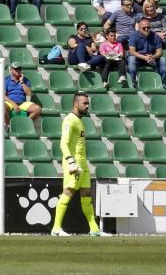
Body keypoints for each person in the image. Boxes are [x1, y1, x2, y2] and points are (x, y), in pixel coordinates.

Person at [50, 92, 106, 237]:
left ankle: (94, 229)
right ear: (76, 104)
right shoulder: (70, 120)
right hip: (73, 164)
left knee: (86, 195)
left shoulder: (79, 120)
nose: (87, 106)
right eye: (84, 103)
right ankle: (56, 229)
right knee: (67, 193)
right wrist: (70, 162)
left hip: (83, 163)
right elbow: (63, 143)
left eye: (88, 103)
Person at [128, 18, 166, 88]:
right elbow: (132, 51)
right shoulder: (134, 35)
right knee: (131, 59)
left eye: (148, 27)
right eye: (144, 28)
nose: (146, 29)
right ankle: (133, 82)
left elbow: (159, 52)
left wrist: (153, 57)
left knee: (162, 60)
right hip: (139, 58)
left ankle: (163, 82)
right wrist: (144, 57)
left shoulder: (156, 36)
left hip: (151, 58)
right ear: (139, 28)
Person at [4, 63, 41, 128]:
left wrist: (22, 82)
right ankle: (9, 125)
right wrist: (14, 104)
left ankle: (26, 123)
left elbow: (29, 94)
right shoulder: (6, 80)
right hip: (10, 102)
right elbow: (3, 96)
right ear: (11, 70)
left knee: (38, 109)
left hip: (22, 103)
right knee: (2, 109)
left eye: (19, 69)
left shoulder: (25, 80)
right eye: (16, 69)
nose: (18, 70)